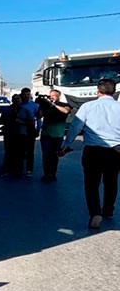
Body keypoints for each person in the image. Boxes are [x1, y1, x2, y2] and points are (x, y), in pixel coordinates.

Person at [60, 79, 120, 229]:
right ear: (113, 91)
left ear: (97, 91)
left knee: (91, 184)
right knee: (111, 182)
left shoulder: (88, 106)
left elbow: (75, 127)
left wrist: (67, 145)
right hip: (115, 150)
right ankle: (108, 210)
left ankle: (95, 213)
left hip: (93, 151)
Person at [36, 90, 71, 182]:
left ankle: (53, 173)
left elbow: (66, 111)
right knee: (46, 155)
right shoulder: (46, 106)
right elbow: (39, 116)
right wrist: (41, 106)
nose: (51, 97)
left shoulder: (64, 104)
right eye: (50, 95)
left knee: (54, 155)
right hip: (46, 134)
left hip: (58, 134)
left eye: (53, 96)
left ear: (58, 97)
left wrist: (54, 105)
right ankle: (46, 174)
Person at [20, 87, 41, 177]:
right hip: (19, 128)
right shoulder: (19, 104)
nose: (26, 96)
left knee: (30, 150)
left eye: (28, 94)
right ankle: (19, 168)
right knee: (20, 150)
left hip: (30, 128)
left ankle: (29, 169)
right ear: (22, 94)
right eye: (24, 94)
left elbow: (39, 118)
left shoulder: (35, 105)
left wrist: (38, 129)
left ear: (30, 95)